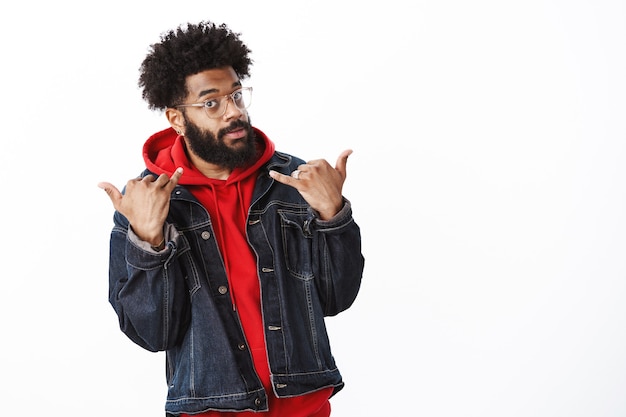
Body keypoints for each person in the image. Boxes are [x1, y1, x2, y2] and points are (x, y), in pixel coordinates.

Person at [98, 20, 364, 417]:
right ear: (176, 119)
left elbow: (335, 299)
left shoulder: (295, 182)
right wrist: (148, 240)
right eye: (212, 103)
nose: (233, 112)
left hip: (304, 404)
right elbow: (152, 334)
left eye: (237, 95)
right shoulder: (145, 204)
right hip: (210, 409)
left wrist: (332, 214)